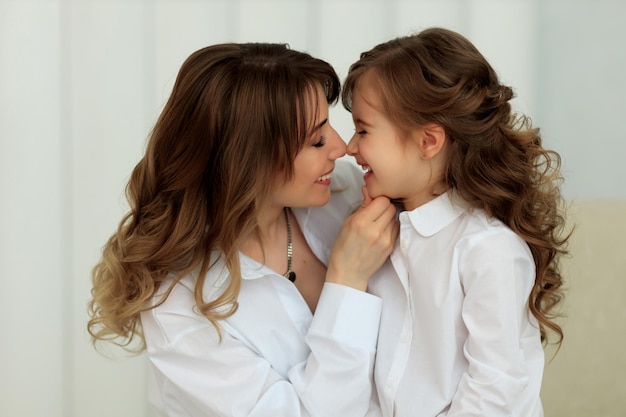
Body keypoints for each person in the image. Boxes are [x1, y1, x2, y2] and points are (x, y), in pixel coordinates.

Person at [87, 42, 398, 417]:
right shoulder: (179, 303)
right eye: (316, 139)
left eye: (329, 125)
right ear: (248, 160)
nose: (340, 147)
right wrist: (347, 281)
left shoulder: (344, 194)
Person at [342, 27, 570, 417]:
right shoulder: (374, 235)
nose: (349, 147)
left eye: (363, 130)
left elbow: (495, 391)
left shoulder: (487, 249)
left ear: (428, 141)